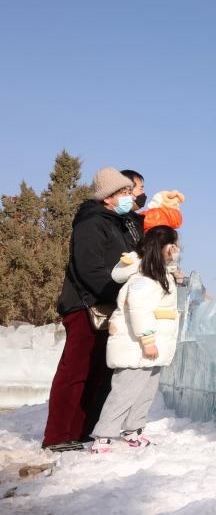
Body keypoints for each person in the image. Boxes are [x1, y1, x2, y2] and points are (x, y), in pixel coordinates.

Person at [42, 168, 138, 452]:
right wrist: (118, 293)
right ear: (107, 197)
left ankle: (83, 431)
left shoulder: (117, 223)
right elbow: (90, 268)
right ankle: (58, 435)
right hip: (85, 304)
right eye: (124, 192)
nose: (129, 197)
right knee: (76, 371)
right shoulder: (92, 222)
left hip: (107, 306)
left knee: (99, 371)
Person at [91, 225, 181, 453]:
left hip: (152, 347)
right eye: (175, 245)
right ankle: (103, 436)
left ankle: (133, 430)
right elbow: (139, 310)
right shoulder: (145, 278)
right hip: (138, 347)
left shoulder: (160, 275)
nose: (178, 249)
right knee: (124, 392)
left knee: (145, 392)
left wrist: (173, 270)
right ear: (166, 248)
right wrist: (148, 341)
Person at [120, 169, 146, 248]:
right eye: (141, 189)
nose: (143, 193)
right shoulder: (116, 219)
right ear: (128, 190)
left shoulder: (136, 220)